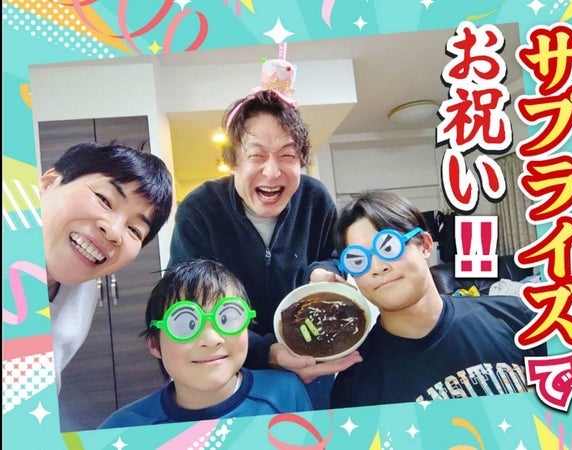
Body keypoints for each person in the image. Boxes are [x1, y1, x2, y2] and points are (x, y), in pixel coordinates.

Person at [168, 53, 360, 409]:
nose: (272, 173)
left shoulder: (315, 198)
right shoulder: (200, 211)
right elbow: (188, 302)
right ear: (232, 161)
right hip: (231, 371)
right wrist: (268, 351)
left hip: (311, 357)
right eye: (257, 156)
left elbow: (334, 256)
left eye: (287, 156)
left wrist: (322, 272)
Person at [329, 191, 548, 408]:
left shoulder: (522, 318)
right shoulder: (353, 387)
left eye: (388, 247)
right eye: (357, 260)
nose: (377, 267)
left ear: (425, 245)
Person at [99, 259, 312, 428]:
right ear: (154, 344)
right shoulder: (124, 429)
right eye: (186, 324)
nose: (211, 340)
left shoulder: (286, 393)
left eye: (227, 318)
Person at [40, 142, 173, 392]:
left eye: (135, 230)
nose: (113, 232)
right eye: (104, 200)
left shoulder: (85, 290)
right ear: (48, 184)